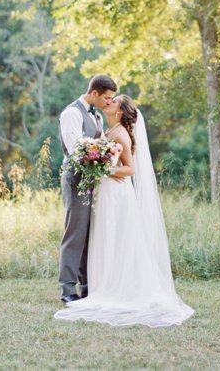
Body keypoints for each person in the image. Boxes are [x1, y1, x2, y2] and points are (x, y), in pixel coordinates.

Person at [54, 95, 194, 327]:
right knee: (104, 238)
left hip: (116, 194)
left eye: (114, 101)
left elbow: (129, 169)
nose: (109, 102)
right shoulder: (106, 130)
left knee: (118, 238)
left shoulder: (120, 134)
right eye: (109, 98)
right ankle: (100, 284)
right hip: (104, 193)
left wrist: (104, 169)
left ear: (120, 112)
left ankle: (118, 287)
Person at [57, 74, 118, 304]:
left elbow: (100, 143)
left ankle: (88, 287)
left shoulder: (97, 116)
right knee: (74, 234)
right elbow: (76, 150)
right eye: (107, 98)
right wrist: (101, 154)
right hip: (76, 180)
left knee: (90, 234)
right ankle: (67, 290)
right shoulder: (72, 114)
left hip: (92, 180)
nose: (109, 102)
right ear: (94, 93)